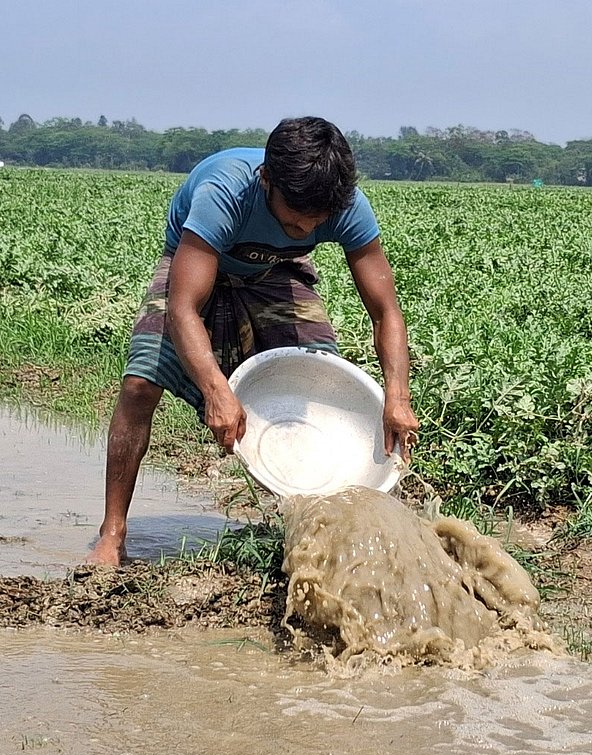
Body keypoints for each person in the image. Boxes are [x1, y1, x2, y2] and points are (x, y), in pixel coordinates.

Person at [85, 116, 420, 567]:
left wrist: (397, 396)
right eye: (293, 218)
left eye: (315, 222)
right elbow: (184, 307)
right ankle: (113, 532)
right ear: (267, 180)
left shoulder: (344, 205)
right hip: (196, 266)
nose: (303, 231)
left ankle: (317, 537)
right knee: (140, 385)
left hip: (276, 274)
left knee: (323, 382)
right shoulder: (225, 193)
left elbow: (386, 311)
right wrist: (216, 390)